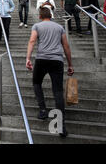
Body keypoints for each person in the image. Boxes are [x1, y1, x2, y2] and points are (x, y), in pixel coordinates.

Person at [26, 8, 74, 138]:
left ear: (40, 16)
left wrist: (28, 58)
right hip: (57, 61)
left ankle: (42, 110)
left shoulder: (37, 26)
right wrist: (70, 64)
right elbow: (66, 46)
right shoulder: (59, 27)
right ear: (51, 16)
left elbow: (32, 41)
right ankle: (60, 126)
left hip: (41, 59)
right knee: (57, 91)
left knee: (36, 83)